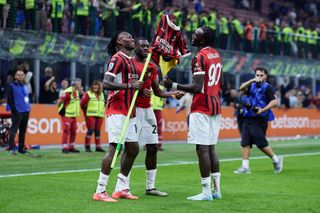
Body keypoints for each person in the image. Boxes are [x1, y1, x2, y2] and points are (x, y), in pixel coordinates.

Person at [164, 27, 223, 201]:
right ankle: (216, 190)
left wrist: (173, 85)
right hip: (215, 105)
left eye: (196, 35)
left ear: (203, 40)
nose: (193, 36)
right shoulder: (216, 54)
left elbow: (197, 87)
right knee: (211, 148)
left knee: (201, 149)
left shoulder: (199, 57)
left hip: (202, 106)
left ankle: (206, 193)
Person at [93, 31, 142, 203]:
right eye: (128, 37)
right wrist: (130, 85)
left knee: (133, 149)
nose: (132, 39)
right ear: (120, 42)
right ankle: (100, 191)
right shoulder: (117, 58)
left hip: (130, 111)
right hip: (117, 109)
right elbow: (106, 83)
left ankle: (121, 188)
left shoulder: (131, 61)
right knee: (115, 148)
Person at [132, 37, 181, 197]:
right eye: (142, 45)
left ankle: (150, 187)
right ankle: (122, 186)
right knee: (131, 149)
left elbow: (158, 91)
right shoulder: (129, 64)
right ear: (135, 47)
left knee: (153, 148)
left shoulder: (152, 66)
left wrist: (172, 94)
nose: (146, 48)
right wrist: (137, 91)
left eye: (147, 46)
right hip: (133, 110)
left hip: (148, 111)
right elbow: (124, 86)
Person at [234, 67, 283, 174]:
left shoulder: (267, 87)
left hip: (260, 118)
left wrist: (263, 110)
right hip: (248, 117)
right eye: (257, 75)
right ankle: (245, 167)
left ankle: (276, 160)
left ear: (266, 76)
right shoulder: (251, 85)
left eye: (261, 75)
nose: (259, 77)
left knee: (260, 143)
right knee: (245, 142)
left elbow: (274, 101)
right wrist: (252, 80)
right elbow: (241, 88)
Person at [6, 69, 31, 154]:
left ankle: (21, 148)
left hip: (26, 110)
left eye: (22, 75)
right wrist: (14, 110)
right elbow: (9, 100)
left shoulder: (24, 86)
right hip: (17, 111)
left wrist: (28, 108)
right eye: (19, 75)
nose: (20, 76)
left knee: (23, 131)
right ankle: (11, 148)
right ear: (15, 76)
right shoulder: (11, 86)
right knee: (14, 130)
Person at [58, 78, 82, 153]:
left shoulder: (77, 92)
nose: (81, 85)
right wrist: (62, 111)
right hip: (67, 115)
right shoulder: (68, 92)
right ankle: (64, 147)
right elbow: (60, 102)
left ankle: (71, 146)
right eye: (79, 83)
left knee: (73, 131)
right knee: (66, 130)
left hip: (74, 115)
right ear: (76, 84)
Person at [80, 80, 105, 152]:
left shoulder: (102, 94)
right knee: (90, 130)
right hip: (90, 115)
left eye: (97, 85)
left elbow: (104, 104)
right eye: (94, 85)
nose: (95, 86)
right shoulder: (88, 94)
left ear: (99, 87)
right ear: (92, 86)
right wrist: (85, 111)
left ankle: (98, 147)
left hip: (100, 115)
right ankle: (87, 146)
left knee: (97, 131)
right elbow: (82, 104)